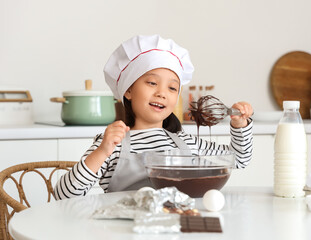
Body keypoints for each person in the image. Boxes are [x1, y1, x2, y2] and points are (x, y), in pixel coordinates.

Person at [54, 35, 253, 200]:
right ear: (129, 91)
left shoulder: (184, 141)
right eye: (151, 83)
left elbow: (239, 159)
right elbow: (63, 195)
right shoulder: (112, 144)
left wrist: (240, 125)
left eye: (172, 87)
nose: (162, 93)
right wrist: (102, 151)